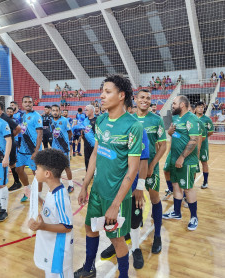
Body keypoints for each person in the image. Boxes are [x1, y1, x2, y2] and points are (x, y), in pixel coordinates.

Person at [74, 75, 143, 278]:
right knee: (89, 227)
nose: (101, 96)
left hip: (116, 196)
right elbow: (95, 153)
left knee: (117, 239)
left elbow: (132, 170)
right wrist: (85, 184)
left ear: (121, 96)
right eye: (102, 91)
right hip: (97, 190)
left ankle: (123, 275)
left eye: (107, 92)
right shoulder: (102, 120)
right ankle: (89, 268)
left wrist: (116, 204)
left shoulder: (133, 126)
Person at [100, 101, 150, 269]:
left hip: (132, 186)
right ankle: (116, 243)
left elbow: (143, 162)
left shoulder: (137, 129)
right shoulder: (107, 126)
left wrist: (140, 187)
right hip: (113, 186)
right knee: (114, 218)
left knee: (134, 220)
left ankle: (135, 248)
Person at [28, 149, 73, 278]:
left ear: (47, 174)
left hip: (57, 252)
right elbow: (50, 209)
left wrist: (42, 226)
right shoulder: (52, 190)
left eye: (37, 168)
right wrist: (36, 198)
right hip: (50, 247)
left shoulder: (60, 197)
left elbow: (67, 226)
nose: (35, 171)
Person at [132, 89, 166, 254]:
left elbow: (163, 146)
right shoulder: (129, 119)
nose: (145, 100)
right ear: (135, 99)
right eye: (142, 98)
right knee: (132, 200)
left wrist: (152, 165)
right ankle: (130, 232)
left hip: (151, 167)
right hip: (132, 168)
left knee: (154, 198)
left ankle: (157, 235)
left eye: (148, 98)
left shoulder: (157, 119)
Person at [162, 96, 199, 231]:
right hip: (174, 159)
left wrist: (182, 157)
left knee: (188, 189)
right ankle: (176, 213)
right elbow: (177, 136)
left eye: (174, 103)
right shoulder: (176, 118)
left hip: (186, 161)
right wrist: (170, 133)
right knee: (176, 186)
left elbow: (194, 140)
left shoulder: (191, 118)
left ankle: (194, 217)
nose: (172, 105)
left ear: (182, 105)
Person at [16, 96, 43, 203]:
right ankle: (28, 191)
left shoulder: (37, 116)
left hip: (33, 149)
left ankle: (38, 196)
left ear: (33, 103)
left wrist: (36, 151)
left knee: (37, 173)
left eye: (30, 102)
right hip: (22, 149)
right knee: (18, 170)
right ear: (22, 104)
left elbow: (40, 134)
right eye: (25, 102)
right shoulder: (22, 116)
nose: (28, 104)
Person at [0, 102, 22, 192]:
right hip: (1, 144)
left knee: (11, 164)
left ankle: (17, 182)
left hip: (9, 143)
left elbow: (18, 128)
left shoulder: (5, 118)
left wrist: (12, 136)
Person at [49, 104, 74, 194]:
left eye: (57, 110)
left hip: (64, 148)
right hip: (54, 149)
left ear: (60, 111)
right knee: (55, 167)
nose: (55, 112)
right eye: (53, 110)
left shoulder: (64, 120)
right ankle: (59, 184)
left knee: (67, 167)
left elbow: (70, 133)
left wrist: (65, 141)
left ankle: (71, 185)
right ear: (51, 111)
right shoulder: (50, 121)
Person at [195, 102, 214, 189]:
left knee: (204, 162)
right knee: (193, 164)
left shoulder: (207, 119)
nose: (201, 109)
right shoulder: (192, 118)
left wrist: (203, 138)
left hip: (203, 145)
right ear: (195, 109)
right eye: (199, 107)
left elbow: (210, 132)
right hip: (193, 145)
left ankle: (205, 182)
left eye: (202, 107)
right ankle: (191, 182)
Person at [82, 105, 96, 171]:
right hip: (86, 145)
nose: (85, 111)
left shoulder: (97, 120)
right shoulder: (85, 120)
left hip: (95, 145)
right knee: (87, 159)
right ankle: (88, 175)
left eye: (87, 110)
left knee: (95, 160)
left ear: (92, 111)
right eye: (85, 110)